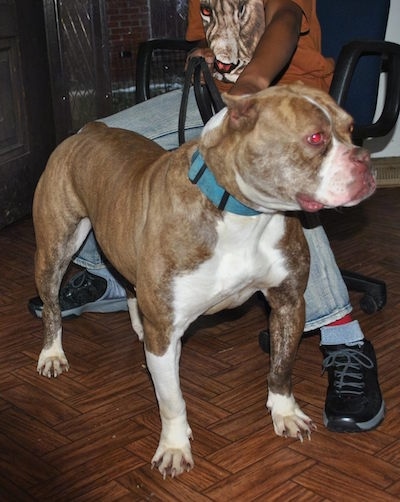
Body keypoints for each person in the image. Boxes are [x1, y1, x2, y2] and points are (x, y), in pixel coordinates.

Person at [29, 0, 384, 433]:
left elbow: (288, 19)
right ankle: (121, 268)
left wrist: (253, 80)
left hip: (287, 98)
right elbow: (212, 35)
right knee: (90, 139)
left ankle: (340, 333)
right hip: (219, 97)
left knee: (285, 192)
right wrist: (205, 51)